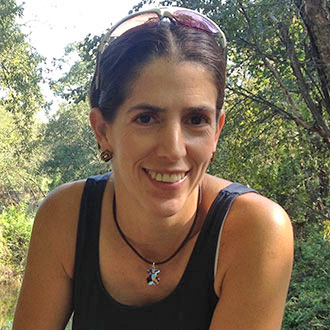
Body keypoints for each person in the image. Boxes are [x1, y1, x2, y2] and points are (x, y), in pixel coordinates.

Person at [13, 6, 294, 330]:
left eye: (195, 120)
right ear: (103, 131)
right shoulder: (65, 218)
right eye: (146, 118)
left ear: (216, 131)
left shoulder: (254, 231)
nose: (173, 149)